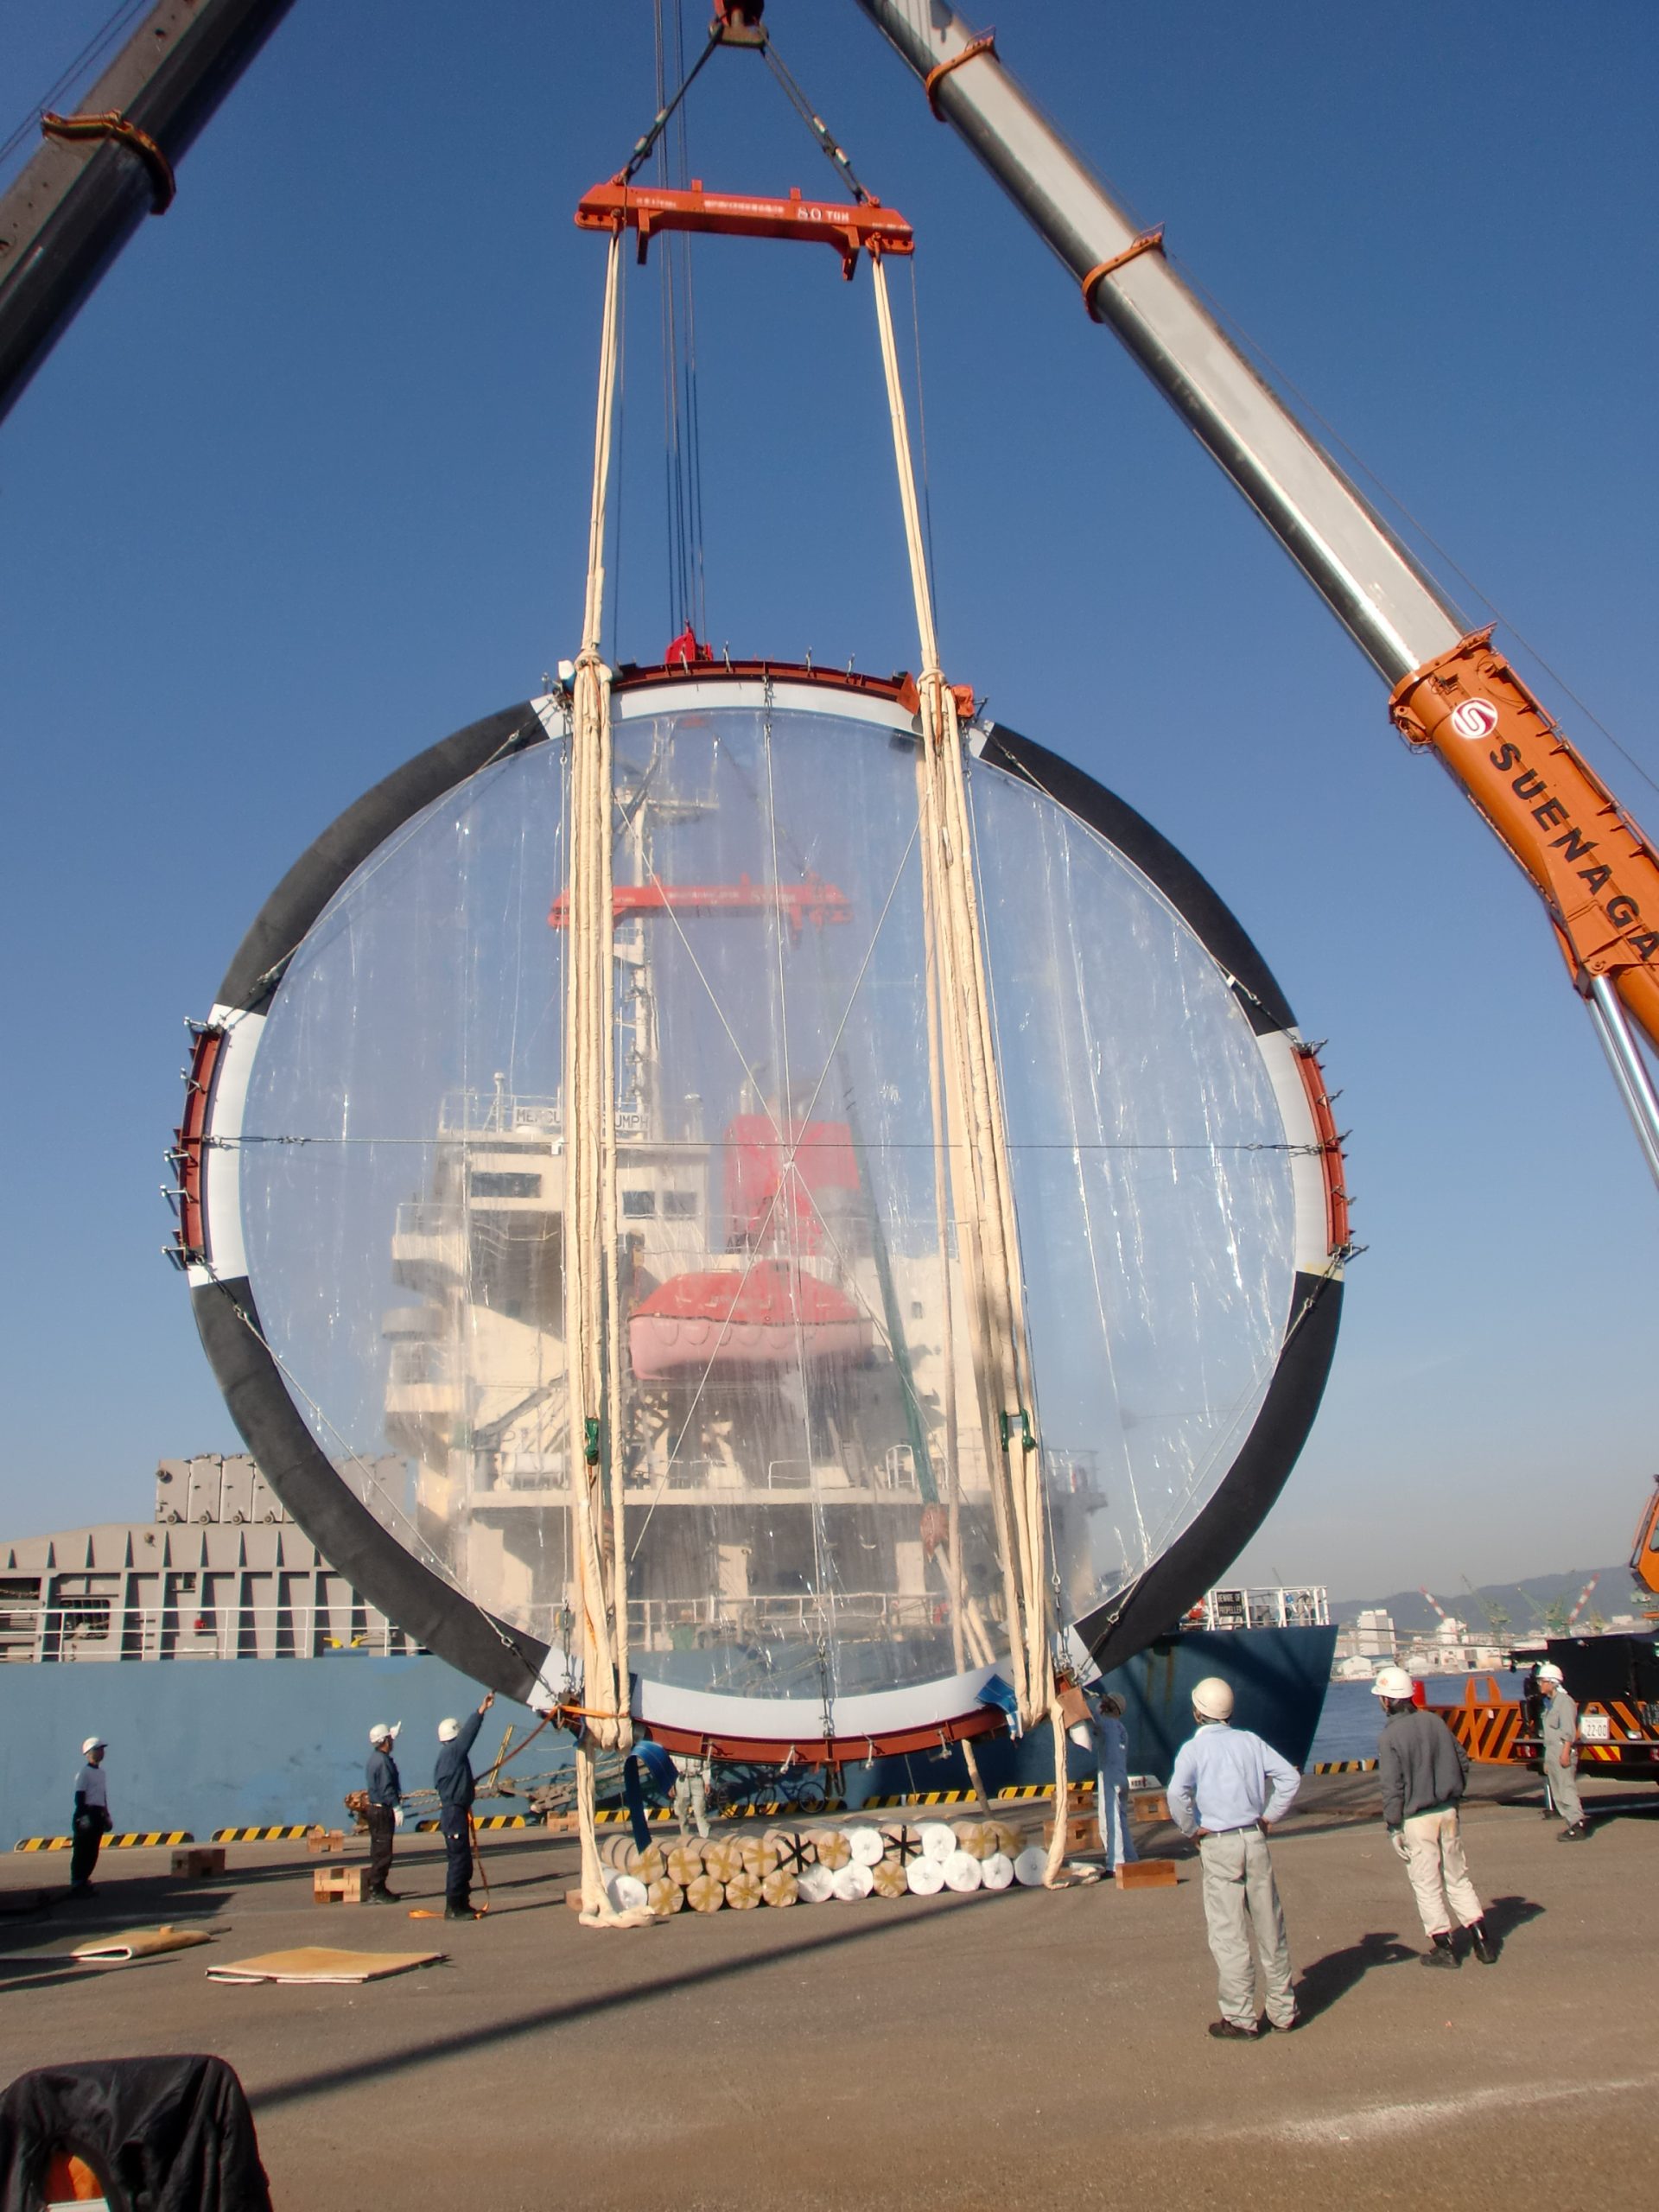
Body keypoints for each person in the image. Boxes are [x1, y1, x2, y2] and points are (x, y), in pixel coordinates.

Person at [1166, 1675, 1300, 2040]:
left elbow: (1177, 1793)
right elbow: (1289, 1778)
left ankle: (1241, 2017)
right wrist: (1269, 1816)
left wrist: (1192, 1828)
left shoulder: (1194, 1750)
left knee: (1229, 1934)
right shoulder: (1250, 1742)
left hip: (1219, 1843)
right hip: (1254, 1838)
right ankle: (1283, 2011)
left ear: (1198, 1711)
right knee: (1270, 1926)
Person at [1371, 1665, 1495, 1967]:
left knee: (1426, 1883)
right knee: (1458, 1876)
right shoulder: (1434, 1722)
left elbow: (1392, 1787)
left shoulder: (1389, 1737)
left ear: (1387, 1700)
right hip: (1448, 1809)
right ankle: (1481, 1940)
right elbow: (1462, 1759)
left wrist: (1393, 1825)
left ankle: (1444, 1947)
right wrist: (1455, 1793)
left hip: (1417, 1818)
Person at [434, 1692, 494, 1919]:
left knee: (463, 1861)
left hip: (454, 1812)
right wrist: (481, 1710)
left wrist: (467, 1784)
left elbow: (448, 1784)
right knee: (459, 1862)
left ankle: (462, 1902)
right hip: (454, 1814)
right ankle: (454, 1907)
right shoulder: (454, 1751)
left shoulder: (446, 1757)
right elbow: (469, 1735)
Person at [1537, 1662, 1590, 1839]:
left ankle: (1578, 1824)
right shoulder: (1550, 1703)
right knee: (1558, 1792)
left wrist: (1566, 1752)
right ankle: (1571, 1823)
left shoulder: (1565, 1702)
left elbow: (1569, 1730)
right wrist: (1547, 1760)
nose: (1540, 1685)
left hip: (1562, 1750)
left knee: (1566, 1789)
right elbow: (1549, 1734)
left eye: (1542, 1681)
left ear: (1553, 1682)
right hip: (1552, 1752)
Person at [1088, 1689, 1137, 1871]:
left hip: (1110, 1777)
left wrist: (1091, 1704)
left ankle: (1115, 1862)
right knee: (1122, 1818)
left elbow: (1090, 1719)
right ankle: (1130, 1856)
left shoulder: (1106, 1724)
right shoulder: (1121, 1728)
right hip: (1122, 1776)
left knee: (1111, 1818)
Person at [363, 1722, 403, 1903]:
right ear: (385, 1741)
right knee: (383, 1852)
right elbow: (387, 1788)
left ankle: (378, 1888)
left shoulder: (374, 1759)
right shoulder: (383, 1762)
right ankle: (376, 1890)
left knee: (378, 1850)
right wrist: (396, 1806)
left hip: (374, 1810)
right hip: (382, 1811)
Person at [70, 1737, 112, 1895]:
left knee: (93, 1850)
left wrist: (106, 1815)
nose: (102, 1752)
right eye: (98, 1749)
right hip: (86, 1813)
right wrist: (82, 1817)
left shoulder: (101, 1774)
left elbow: (102, 1795)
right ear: (89, 1753)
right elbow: (79, 1796)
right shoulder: (84, 1773)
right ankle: (77, 1881)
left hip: (98, 1814)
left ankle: (84, 1880)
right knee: (82, 1849)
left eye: (102, 1749)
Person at [671, 1751, 712, 1843]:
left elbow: (706, 1766)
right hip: (681, 1780)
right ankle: (685, 1837)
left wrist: (707, 1782)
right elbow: (670, 1766)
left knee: (700, 1810)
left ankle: (705, 1837)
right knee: (682, 1811)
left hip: (696, 1778)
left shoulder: (697, 1746)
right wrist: (671, 1785)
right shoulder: (675, 1748)